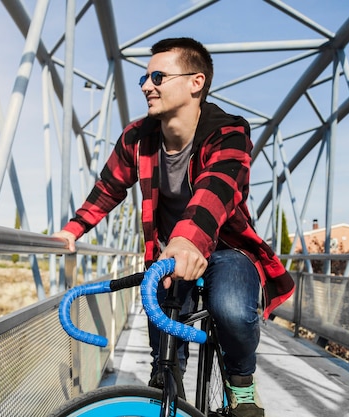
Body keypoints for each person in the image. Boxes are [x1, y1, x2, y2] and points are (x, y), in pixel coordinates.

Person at [53, 37, 295, 417]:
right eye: (145, 78)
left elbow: (218, 185)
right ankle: (169, 387)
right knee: (165, 353)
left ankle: (242, 383)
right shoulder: (138, 137)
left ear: (196, 82)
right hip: (167, 252)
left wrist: (188, 239)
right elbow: (109, 187)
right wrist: (72, 230)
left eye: (158, 76)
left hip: (224, 247)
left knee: (230, 309)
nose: (147, 85)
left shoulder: (229, 131)